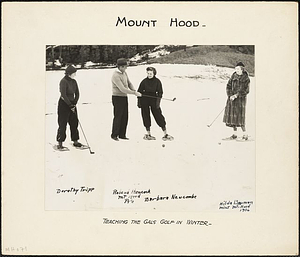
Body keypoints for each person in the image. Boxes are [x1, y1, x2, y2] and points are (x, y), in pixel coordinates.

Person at [137, 67, 173, 141]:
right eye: (148, 73)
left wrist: (158, 102)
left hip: (154, 99)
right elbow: (139, 92)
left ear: (154, 73)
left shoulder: (157, 81)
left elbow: (160, 92)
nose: (149, 75)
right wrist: (139, 101)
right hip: (145, 99)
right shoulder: (144, 81)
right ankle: (148, 133)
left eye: (151, 73)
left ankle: (165, 134)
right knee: (145, 115)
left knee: (158, 115)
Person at [111, 58, 141, 141]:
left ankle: (122, 134)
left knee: (125, 116)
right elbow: (122, 89)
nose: (126, 68)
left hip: (124, 97)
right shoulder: (115, 75)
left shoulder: (124, 73)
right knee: (118, 116)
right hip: (117, 97)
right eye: (125, 67)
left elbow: (129, 83)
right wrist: (134, 93)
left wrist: (134, 90)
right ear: (120, 67)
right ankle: (114, 135)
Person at [56, 65, 83, 149]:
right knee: (62, 123)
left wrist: (74, 103)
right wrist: (69, 105)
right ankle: (60, 142)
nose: (75, 75)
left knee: (74, 122)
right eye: (74, 73)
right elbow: (63, 94)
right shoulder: (63, 81)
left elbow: (77, 93)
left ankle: (75, 140)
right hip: (64, 104)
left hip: (72, 104)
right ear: (69, 74)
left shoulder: (74, 81)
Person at [223, 62, 250, 141]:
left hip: (241, 100)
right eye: (235, 69)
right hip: (232, 99)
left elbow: (246, 90)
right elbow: (228, 86)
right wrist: (230, 95)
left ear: (242, 69)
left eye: (238, 69)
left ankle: (245, 135)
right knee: (232, 117)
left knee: (240, 117)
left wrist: (236, 95)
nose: (236, 70)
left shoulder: (246, 78)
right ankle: (235, 134)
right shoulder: (233, 76)